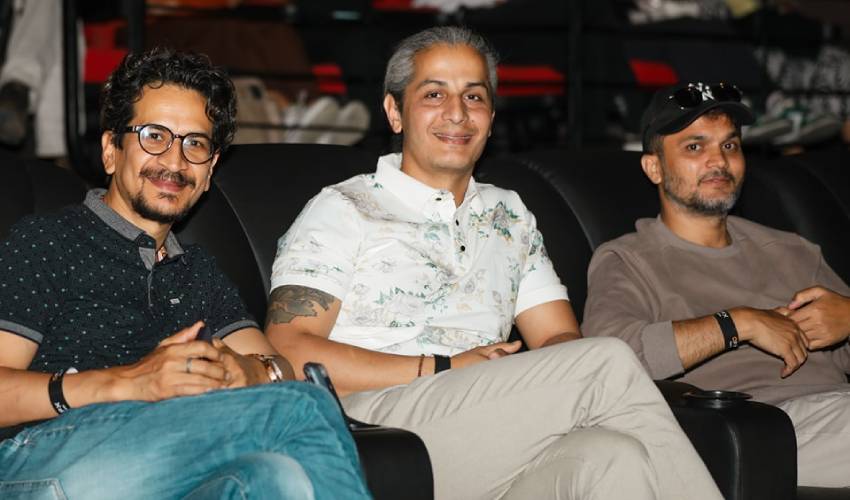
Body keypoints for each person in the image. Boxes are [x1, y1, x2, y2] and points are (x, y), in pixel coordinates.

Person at [266, 26, 722, 500]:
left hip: (486, 423)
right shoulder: (344, 208)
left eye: (474, 96)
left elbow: (559, 338)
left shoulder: (509, 214)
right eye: (434, 94)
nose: (457, 113)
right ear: (394, 112)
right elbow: (288, 350)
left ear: (491, 118)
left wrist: (524, 372)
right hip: (372, 425)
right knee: (606, 360)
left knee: (613, 456)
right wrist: (445, 366)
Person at [0, 47, 371, 500]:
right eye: (154, 135)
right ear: (111, 150)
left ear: (210, 169)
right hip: (42, 462)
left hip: (155, 466)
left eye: (195, 143)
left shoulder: (197, 271)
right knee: (305, 406)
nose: (175, 162)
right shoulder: (49, 240)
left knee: (275, 477)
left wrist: (242, 371)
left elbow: (280, 371)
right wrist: (126, 382)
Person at [582, 81, 850, 488]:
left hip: (837, 411)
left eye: (730, 145)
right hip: (759, 428)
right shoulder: (627, 260)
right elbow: (606, 361)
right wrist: (738, 323)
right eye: (695, 147)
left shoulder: (793, 250)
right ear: (654, 167)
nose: (719, 161)